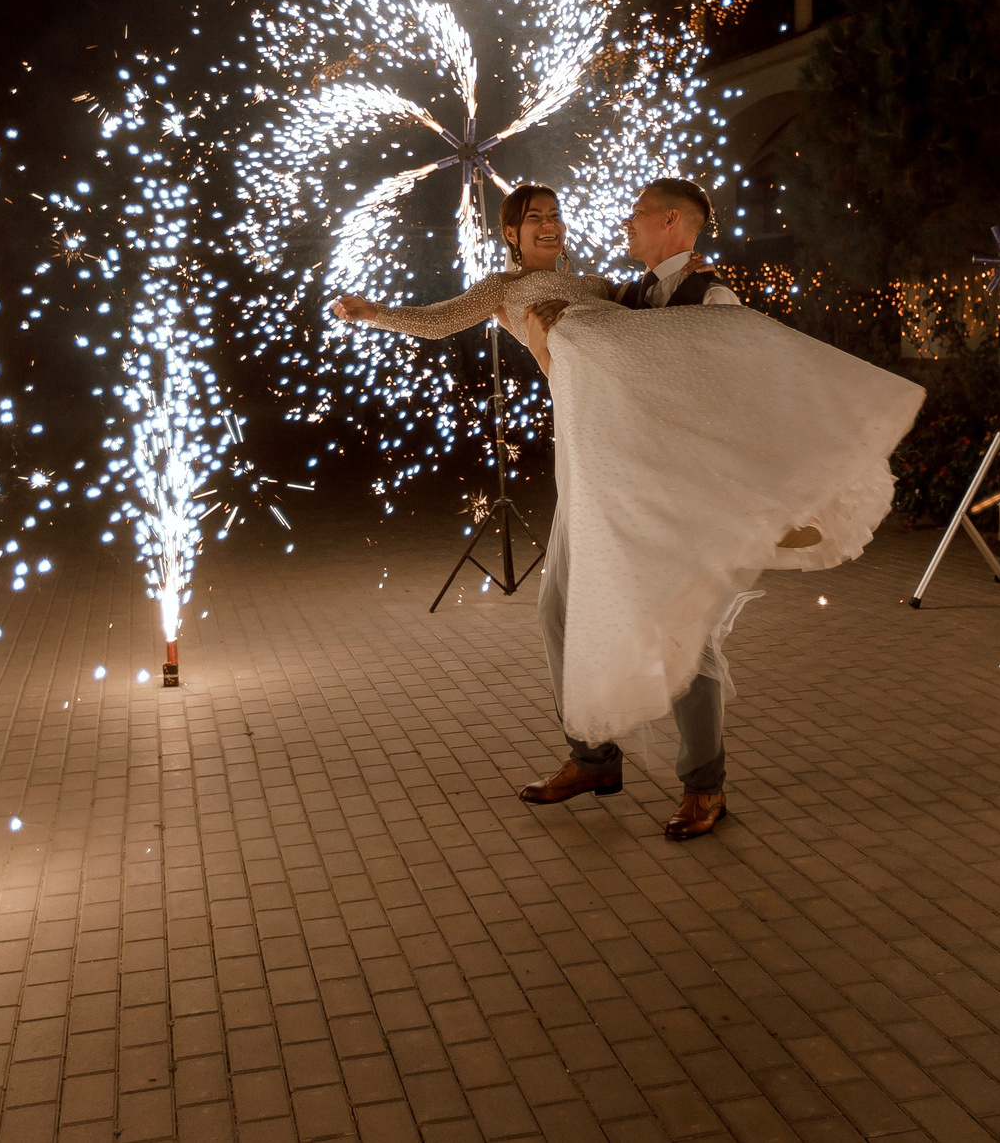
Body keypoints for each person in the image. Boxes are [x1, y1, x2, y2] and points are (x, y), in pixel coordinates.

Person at [335, 179, 922, 840]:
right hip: (595, 470)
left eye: (556, 215)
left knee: (682, 621)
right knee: (557, 606)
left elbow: (706, 363)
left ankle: (704, 783)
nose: (550, 225)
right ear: (511, 234)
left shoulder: (606, 287)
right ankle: (593, 758)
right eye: (535, 219)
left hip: (665, 476)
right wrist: (377, 312)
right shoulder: (506, 291)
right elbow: (442, 318)